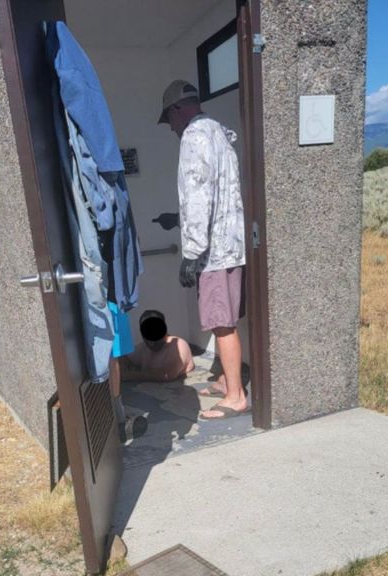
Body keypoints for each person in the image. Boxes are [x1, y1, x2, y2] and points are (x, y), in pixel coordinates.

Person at [158, 79, 248, 420]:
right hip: (230, 244)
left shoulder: (194, 137)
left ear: (178, 110)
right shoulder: (218, 133)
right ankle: (228, 380)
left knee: (220, 322)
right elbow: (217, 195)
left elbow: (199, 195)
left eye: (169, 120)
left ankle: (236, 397)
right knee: (225, 318)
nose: (171, 129)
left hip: (213, 252)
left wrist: (192, 253)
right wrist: (177, 219)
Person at [122, 310, 195, 382]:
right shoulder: (143, 348)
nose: (152, 342)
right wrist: (124, 366)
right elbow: (124, 357)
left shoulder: (178, 345)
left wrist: (132, 375)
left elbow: (168, 374)